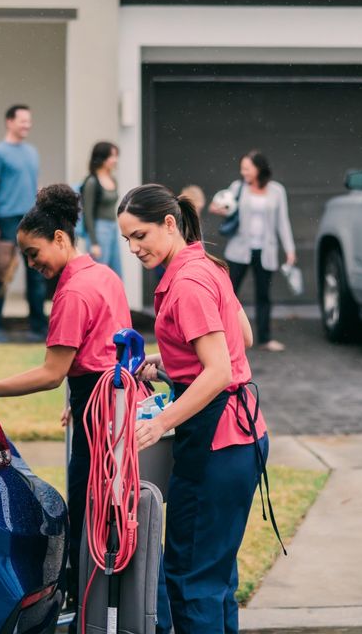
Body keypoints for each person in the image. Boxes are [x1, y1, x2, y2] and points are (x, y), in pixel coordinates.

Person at [0, 184, 140, 626]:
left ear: (60, 238)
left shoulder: (72, 293)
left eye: (34, 252)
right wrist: (77, 398)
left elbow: (50, 372)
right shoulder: (105, 277)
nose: (31, 263)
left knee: (87, 511)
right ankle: (119, 608)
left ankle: (86, 612)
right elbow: (109, 351)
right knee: (115, 510)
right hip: (116, 402)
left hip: (96, 409)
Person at [119, 184, 278, 634]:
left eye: (141, 235)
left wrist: (160, 423)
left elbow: (219, 372)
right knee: (216, 576)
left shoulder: (185, 283)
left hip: (218, 444)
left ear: (169, 224)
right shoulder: (205, 264)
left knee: (190, 580)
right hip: (245, 439)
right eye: (128, 239)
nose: (134, 248)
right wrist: (168, 363)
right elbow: (240, 338)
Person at [210, 151, 296, 352]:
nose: (243, 172)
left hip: (266, 250)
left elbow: (283, 222)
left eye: (247, 168)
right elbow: (221, 205)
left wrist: (290, 249)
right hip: (239, 249)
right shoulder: (237, 187)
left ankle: (265, 339)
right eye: (242, 168)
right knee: (228, 293)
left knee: (263, 295)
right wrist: (218, 209)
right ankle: (221, 336)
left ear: (259, 168)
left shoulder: (277, 191)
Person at [0, 105, 47, 343]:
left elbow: (35, 183)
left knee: (37, 274)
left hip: (32, 219)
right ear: (9, 122)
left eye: (29, 121)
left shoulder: (32, 151)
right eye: (22, 121)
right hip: (7, 219)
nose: (27, 125)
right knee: (2, 274)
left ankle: (39, 328)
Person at [80, 141, 123, 277]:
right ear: (102, 158)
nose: (115, 160)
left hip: (113, 228)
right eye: (112, 156)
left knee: (116, 273)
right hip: (99, 230)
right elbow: (87, 213)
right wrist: (94, 242)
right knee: (99, 274)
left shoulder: (113, 179)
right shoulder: (92, 182)